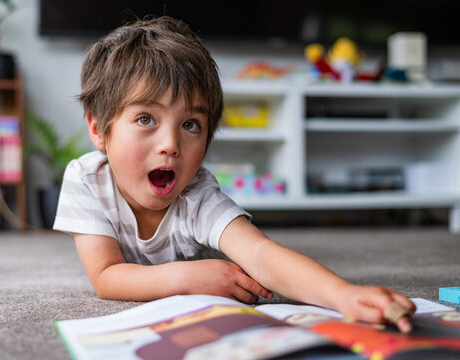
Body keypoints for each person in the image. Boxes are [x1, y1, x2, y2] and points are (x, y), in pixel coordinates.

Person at [53, 16, 415, 333]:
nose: (170, 144)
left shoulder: (196, 194)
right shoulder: (86, 180)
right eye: (146, 119)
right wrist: (188, 278)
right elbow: (106, 276)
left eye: (191, 124)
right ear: (99, 130)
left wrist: (343, 294)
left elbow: (260, 253)